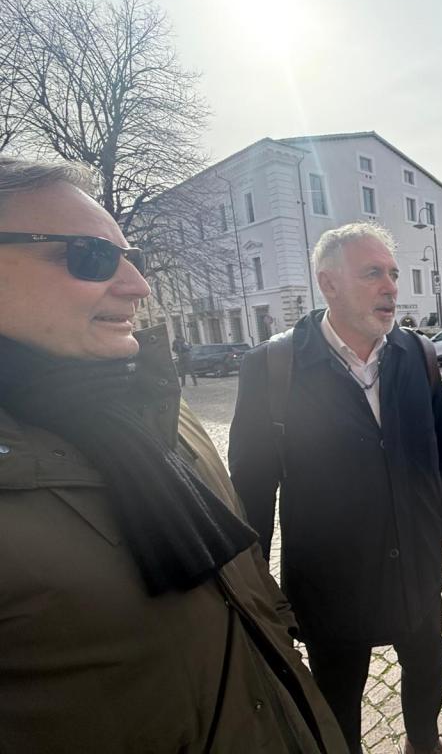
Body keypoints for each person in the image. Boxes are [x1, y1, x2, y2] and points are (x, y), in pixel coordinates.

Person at [0, 156, 347, 753]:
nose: (138, 285)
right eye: (90, 256)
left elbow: (246, 582)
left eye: (132, 257)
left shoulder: (164, 408)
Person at [229, 222, 442, 754]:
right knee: (339, 690)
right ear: (329, 284)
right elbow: (250, 489)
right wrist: (254, 586)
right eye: (372, 274)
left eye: (392, 273)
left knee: (427, 662)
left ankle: (423, 744)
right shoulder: (274, 366)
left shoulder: (419, 354)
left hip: (414, 561)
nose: (390, 287)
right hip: (330, 579)